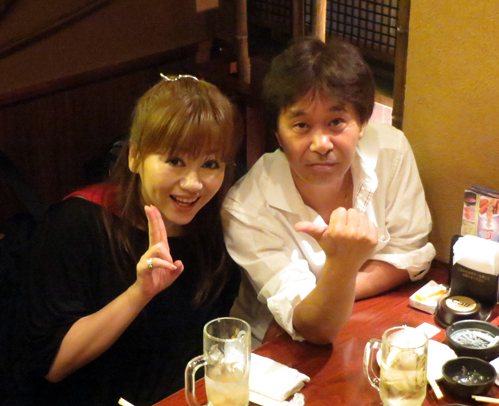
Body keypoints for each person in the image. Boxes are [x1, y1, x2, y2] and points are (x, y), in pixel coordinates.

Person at [12, 74, 241, 406]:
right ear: (135, 156)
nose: (193, 183)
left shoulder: (214, 228)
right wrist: (140, 292)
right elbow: (52, 365)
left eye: (210, 164)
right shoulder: (77, 223)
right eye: (175, 161)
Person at [222, 37, 436, 347]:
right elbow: (314, 327)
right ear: (278, 134)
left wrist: (337, 286)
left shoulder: (391, 151)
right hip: (276, 349)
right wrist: (343, 265)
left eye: (336, 122)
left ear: (362, 124)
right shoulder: (246, 207)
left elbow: (410, 254)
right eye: (301, 125)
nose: (321, 144)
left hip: (371, 320)